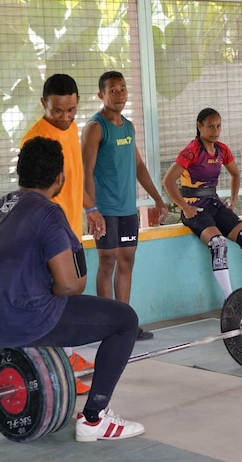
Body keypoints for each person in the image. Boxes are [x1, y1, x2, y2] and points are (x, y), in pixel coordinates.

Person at [0, 137, 145, 442]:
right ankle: (95, 419)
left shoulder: (0, 206)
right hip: (23, 321)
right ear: (59, 178)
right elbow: (68, 285)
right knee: (125, 320)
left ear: (20, 174)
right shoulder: (48, 212)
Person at [20, 73, 102, 395]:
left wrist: (90, 210)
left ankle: (68, 355)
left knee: (71, 294)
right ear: (43, 104)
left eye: (71, 110)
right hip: (49, 233)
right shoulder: (35, 140)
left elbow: (74, 178)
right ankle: (61, 367)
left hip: (71, 229)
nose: (66, 118)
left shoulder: (71, 131)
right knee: (59, 294)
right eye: (58, 111)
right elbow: (33, 191)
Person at [82, 70, 168, 341]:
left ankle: (125, 323)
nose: (119, 94)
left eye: (122, 89)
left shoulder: (128, 126)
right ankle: (107, 325)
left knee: (127, 260)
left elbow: (139, 166)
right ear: (101, 95)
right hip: (104, 209)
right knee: (107, 261)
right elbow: (86, 170)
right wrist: (91, 209)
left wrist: (157, 197)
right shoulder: (95, 127)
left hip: (127, 209)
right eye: (112, 90)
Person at [162, 107, 242, 299]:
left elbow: (235, 174)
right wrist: (184, 207)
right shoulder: (191, 151)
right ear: (199, 126)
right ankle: (230, 300)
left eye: (218, 126)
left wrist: (233, 200)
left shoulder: (222, 149)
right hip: (195, 208)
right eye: (210, 126)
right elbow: (168, 181)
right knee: (218, 244)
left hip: (214, 204)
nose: (215, 130)